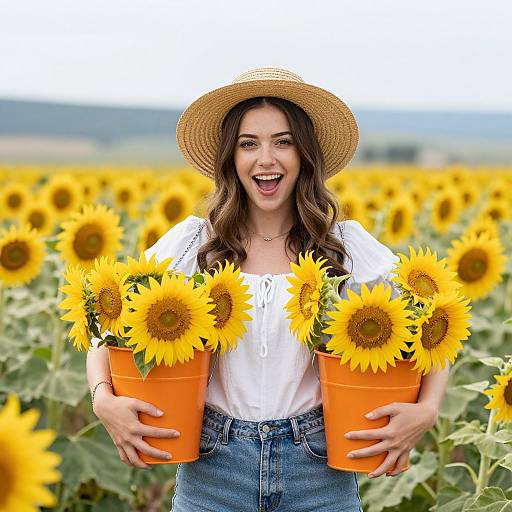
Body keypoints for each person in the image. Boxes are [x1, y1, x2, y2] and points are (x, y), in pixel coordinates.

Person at [87, 67, 449, 512]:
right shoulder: (193, 244)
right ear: (231, 158)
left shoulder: (343, 246)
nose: (266, 159)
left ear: (304, 154)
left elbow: (436, 325)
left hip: (318, 471)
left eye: (283, 141)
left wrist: (426, 410)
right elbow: (104, 325)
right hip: (212, 473)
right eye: (248, 143)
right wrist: (103, 399)